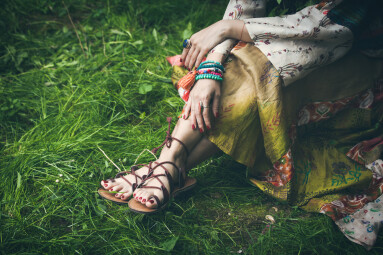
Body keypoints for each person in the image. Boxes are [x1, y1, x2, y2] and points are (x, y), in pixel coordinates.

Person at [98, 0, 383, 249]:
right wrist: (213, 65)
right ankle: (169, 166)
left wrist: (227, 29)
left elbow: (331, 27)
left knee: (263, 75)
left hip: (356, 61)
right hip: (282, 39)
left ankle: (163, 167)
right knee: (242, 64)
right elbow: (246, 6)